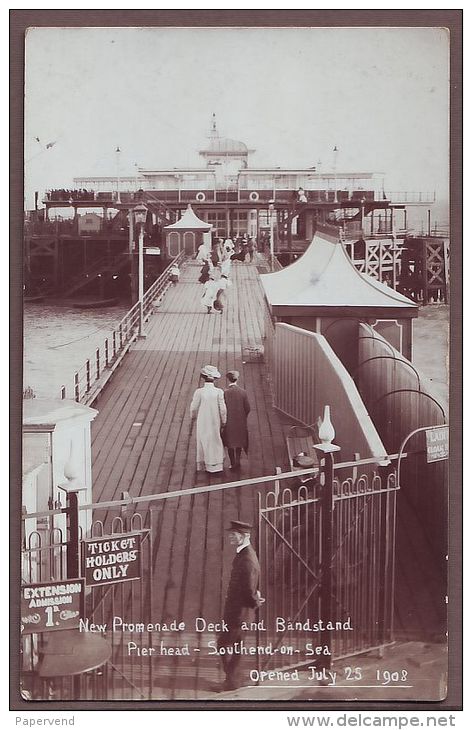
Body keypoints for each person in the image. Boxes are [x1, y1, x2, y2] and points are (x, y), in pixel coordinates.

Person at [217, 520, 265, 691]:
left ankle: (232, 680)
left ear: (244, 536)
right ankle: (234, 680)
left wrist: (256, 601)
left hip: (239, 614)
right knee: (237, 646)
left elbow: (249, 590)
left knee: (223, 644)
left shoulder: (247, 560)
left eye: (234, 534)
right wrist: (255, 599)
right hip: (242, 613)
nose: (230, 536)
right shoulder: (245, 554)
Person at [190, 365, 227, 473]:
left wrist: (192, 416)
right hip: (215, 419)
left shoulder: (199, 392)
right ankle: (217, 465)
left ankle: (204, 463)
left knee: (203, 439)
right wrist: (224, 421)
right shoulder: (219, 392)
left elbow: (193, 407)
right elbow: (223, 409)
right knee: (215, 439)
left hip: (203, 419)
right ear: (214, 379)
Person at [222, 371, 250, 470]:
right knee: (239, 441)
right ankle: (238, 461)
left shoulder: (225, 392)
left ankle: (232, 463)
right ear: (237, 379)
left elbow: (223, 407)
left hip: (229, 421)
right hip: (240, 421)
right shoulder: (243, 392)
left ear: (228, 379)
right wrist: (243, 416)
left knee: (230, 442)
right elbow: (247, 408)